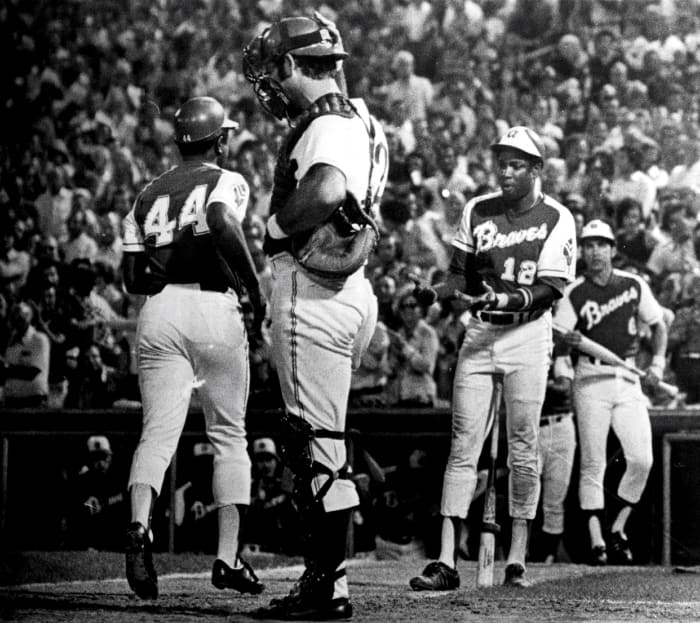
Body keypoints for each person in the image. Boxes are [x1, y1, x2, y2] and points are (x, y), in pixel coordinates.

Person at [243, 13, 389, 620]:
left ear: (289, 64)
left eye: (273, 68)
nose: (269, 83)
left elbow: (326, 190)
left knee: (313, 444)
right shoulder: (363, 117)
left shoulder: (328, 123)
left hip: (315, 292)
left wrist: (276, 227)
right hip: (346, 289)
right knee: (322, 439)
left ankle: (326, 587)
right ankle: (332, 581)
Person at [408, 126, 576, 590]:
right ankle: (446, 559)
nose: (506, 172)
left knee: (523, 444)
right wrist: (434, 293)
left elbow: (551, 289)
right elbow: (459, 277)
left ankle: (517, 556)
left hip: (527, 333)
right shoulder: (477, 209)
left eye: (517, 165)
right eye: (502, 163)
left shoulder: (557, 216)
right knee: (463, 444)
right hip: (481, 333)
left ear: (537, 169)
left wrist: (504, 299)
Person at [121, 96, 266, 600]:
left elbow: (132, 277)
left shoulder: (146, 193)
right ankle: (228, 557)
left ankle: (139, 524)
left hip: (159, 309)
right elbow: (222, 221)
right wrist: (253, 288)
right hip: (212, 306)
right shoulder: (226, 179)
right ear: (219, 139)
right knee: (228, 435)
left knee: (157, 434)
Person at [553, 219, 668, 565]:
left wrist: (658, 363)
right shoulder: (574, 292)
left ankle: (617, 528)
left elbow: (658, 324)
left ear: (613, 250)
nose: (595, 252)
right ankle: (597, 541)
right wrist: (564, 366)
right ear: (582, 252)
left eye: (601, 245)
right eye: (589, 246)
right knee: (593, 462)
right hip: (590, 378)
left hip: (627, 377)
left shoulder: (633, 284)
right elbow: (559, 341)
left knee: (642, 459)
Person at [534, 349, 576, 564]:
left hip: (560, 425)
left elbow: (563, 389)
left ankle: (549, 556)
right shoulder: (524, 347)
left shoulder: (559, 350)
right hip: (531, 426)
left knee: (555, 496)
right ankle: (521, 553)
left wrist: (531, 382)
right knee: (526, 493)